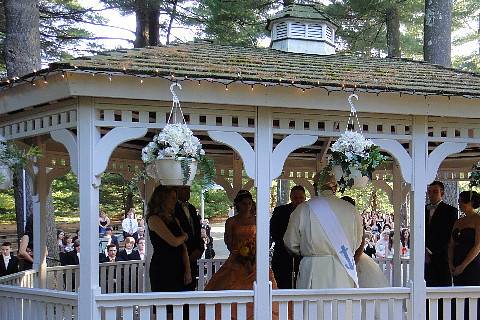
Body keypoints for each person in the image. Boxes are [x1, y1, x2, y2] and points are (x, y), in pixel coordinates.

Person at [204, 190, 278, 320]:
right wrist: (240, 251)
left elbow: (265, 239)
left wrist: (254, 251)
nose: (247, 206)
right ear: (238, 204)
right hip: (236, 258)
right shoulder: (231, 221)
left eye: (249, 203)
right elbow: (228, 241)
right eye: (244, 203)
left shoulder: (258, 219)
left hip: (256, 259)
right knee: (231, 286)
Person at [284, 172, 363, 289]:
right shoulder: (351, 209)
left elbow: (291, 243)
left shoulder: (303, 209)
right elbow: (357, 242)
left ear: (315, 187)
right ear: (335, 188)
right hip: (343, 269)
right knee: (341, 306)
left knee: (312, 307)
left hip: (313, 270)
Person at [147, 185, 191, 292]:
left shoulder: (175, 220)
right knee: (164, 304)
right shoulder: (154, 219)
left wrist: (188, 269)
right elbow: (174, 242)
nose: (175, 201)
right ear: (162, 199)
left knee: (181, 303)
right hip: (163, 266)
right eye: (172, 198)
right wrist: (185, 236)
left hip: (179, 266)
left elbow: (183, 247)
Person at [270, 185, 306, 289]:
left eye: (301, 198)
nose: (298, 201)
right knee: (282, 283)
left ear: (305, 198)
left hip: (302, 254)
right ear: (291, 197)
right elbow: (273, 231)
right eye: (295, 198)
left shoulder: (310, 212)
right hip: (282, 254)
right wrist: (288, 244)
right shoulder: (280, 211)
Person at [425, 180, 458, 287]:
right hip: (424, 257)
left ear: (442, 193)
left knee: (443, 287)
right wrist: (424, 251)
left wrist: (431, 251)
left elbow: (449, 235)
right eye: (429, 192)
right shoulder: (423, 210)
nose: (431, 194)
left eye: (435, 191)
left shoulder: (451, 211)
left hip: (443, 256)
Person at [175, 185, 204, 290]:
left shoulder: (191, 208)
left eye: (188, 190)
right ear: (177, 190)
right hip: (178, 256)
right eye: (184, 189)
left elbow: (197, 232)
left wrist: (199, 249)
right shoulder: (172, 208)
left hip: (194, 255)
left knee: (191, 287)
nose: (187, 192)